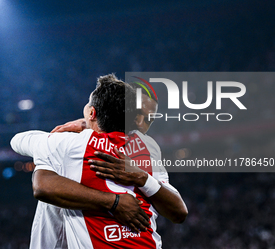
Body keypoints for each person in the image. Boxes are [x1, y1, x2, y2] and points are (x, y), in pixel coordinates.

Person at [11, 75, 187, 248]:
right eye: (140, 115)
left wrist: (74, 129)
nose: (141, 123)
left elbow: (18, 142)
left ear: (91, 112)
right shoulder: (148, 147)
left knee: (52, 165)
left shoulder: (68, 144)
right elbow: (179, 213)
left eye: (148, 119)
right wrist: (117, 199)